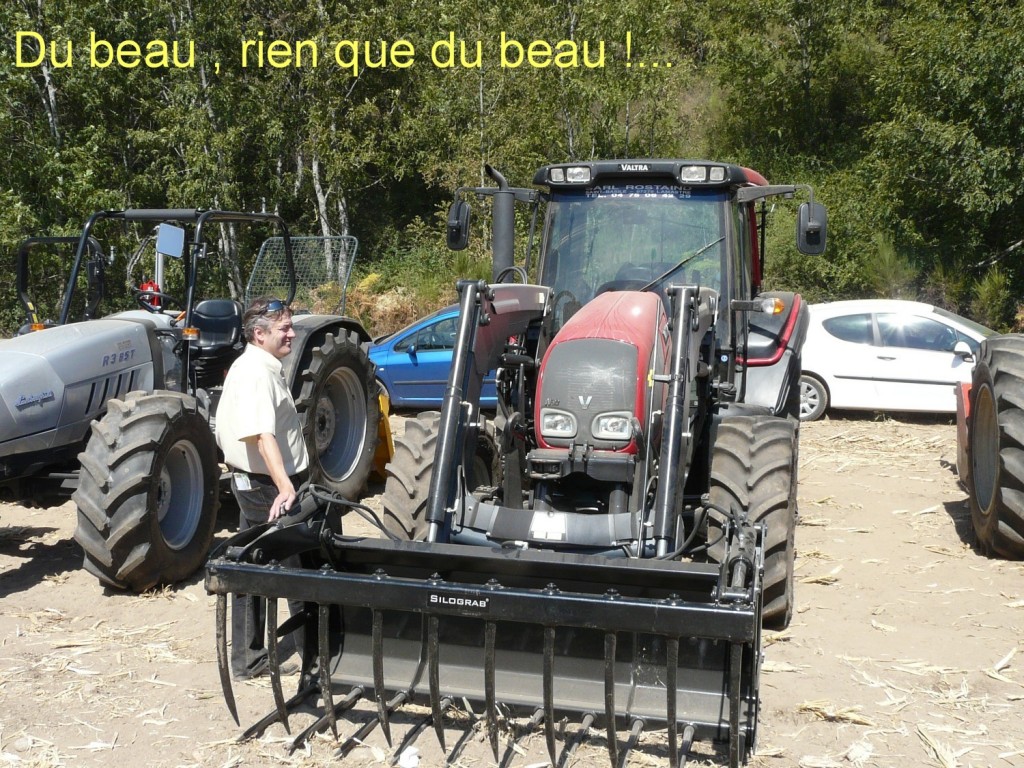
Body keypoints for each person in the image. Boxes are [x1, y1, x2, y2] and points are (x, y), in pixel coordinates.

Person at [215, 296, 309, 679]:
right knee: (298, 571)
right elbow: (262, 436)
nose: (292, 334)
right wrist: (285, 487)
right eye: (284, 328)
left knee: (250, 567)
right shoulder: (256, 373)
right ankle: (316, 660)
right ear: (259, 334)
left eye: (290, 326)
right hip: (268, 486)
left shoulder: (255, 366)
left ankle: (248, 659)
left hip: (254, 481)